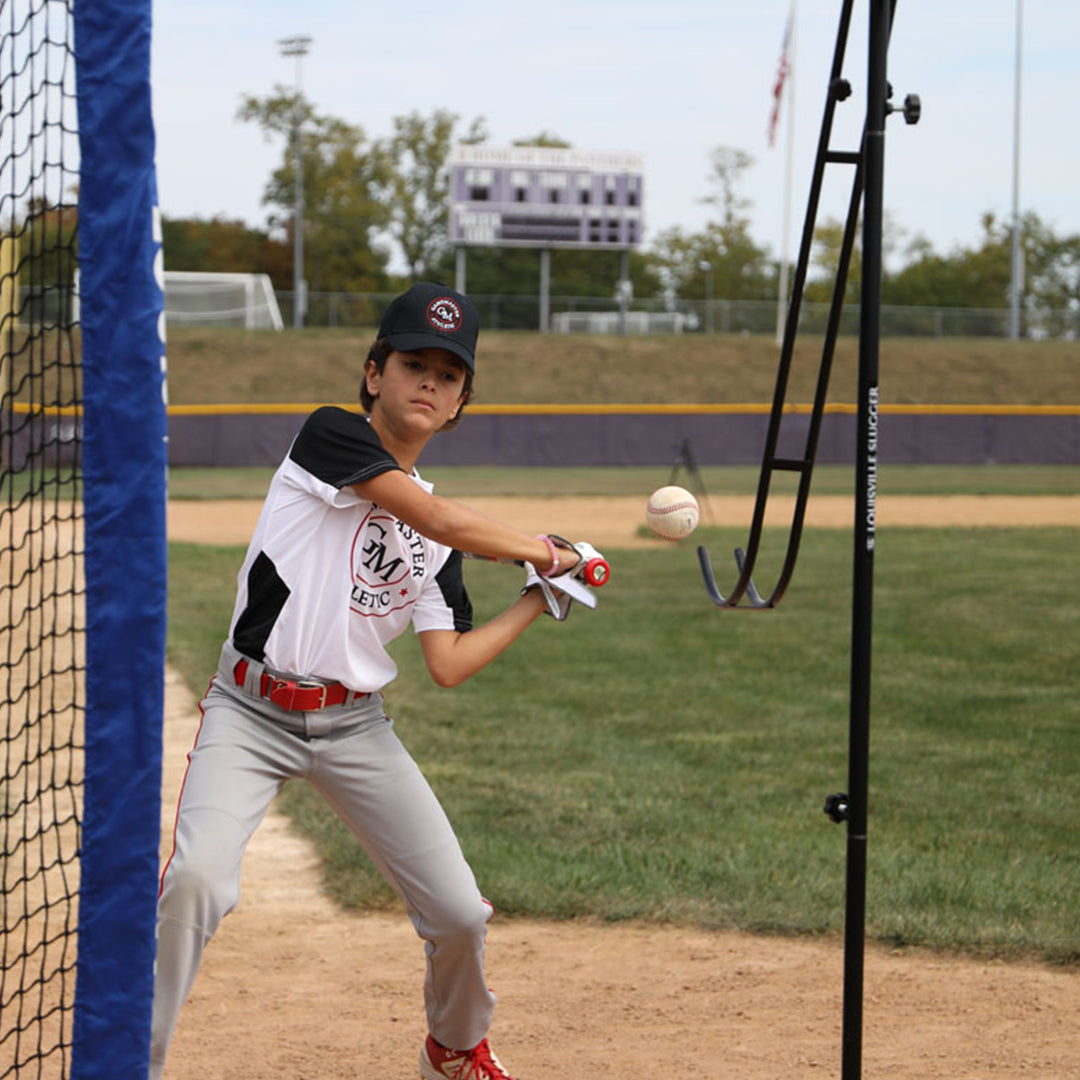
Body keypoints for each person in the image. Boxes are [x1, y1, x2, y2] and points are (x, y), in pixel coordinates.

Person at [149, 283, 604, 1080]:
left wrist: (539, 601)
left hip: (354, 726)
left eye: (448, 375)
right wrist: (550, 551)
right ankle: (130, 1062)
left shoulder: (439, 539)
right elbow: (436, 520)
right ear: (374, 375)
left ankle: (454, 1049)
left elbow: (449, 662)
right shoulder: (329, 438)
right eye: (412, 364)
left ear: (460, 403)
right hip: (250, 712)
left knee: (459, 913)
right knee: (197, 882)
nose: (429, 382)